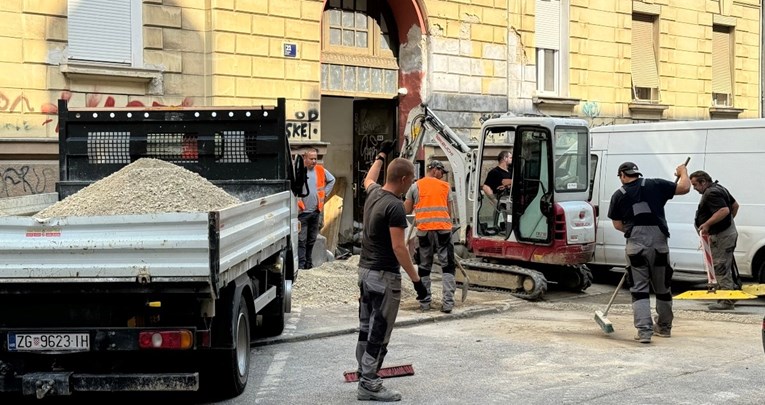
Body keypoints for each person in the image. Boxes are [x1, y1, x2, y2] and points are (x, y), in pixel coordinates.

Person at [355, 140, 428, 402]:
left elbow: (368, 179)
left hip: (364, 272)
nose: (412, 185)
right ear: (406, 179)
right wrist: (417, 282)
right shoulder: (395, 206)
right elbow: (399, 248)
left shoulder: (374, 193)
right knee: (380, 331)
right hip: (385, 276)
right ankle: (369, 382)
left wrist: (381, 155)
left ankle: (363, 372)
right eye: (412, 181)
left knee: (366, 327)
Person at [607, 161, 690, 344]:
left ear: (622, 175)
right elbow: (684, 187)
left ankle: (644, 332)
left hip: (636, 246)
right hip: (659, 244)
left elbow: (618, 224)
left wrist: (635, 232)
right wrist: (683, 171)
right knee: (662, 287)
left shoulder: (618, 195)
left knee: (639, 290)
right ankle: (664, 327)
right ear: (637, 173)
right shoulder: (656, 185)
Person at [404, 160, 456, 313]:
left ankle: (425, 303)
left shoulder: (415, 186)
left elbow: (406, 210)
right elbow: (449, 212)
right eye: (441, 172)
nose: (442, 175)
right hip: (443, 232)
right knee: (447, 267)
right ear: (434, 170)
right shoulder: (445, 187)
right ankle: (447, 303)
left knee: (424, 267)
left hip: (424, 232)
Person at [690, 170, 740, 311]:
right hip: (726, 233)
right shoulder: (720, 188)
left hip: (721, 236)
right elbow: (735, 206)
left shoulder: (711, 193)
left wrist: (708, 225)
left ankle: (726, 301)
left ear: (703, 182)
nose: (694, 188)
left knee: (720, 266)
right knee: (725, 266)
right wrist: (726, 224)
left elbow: (724, 210)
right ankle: (730, 293)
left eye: (695, 184)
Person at [297, 148, 335, 270]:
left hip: (315, 211)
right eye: (311, 158)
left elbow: (332, 180)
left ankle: (309, 264)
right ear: (305, 158)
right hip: (302, 212)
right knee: (301, 240)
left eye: (315, 158)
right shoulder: (298, 171)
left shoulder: (319, 170)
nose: (314, 161)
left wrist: (324, 194)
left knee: (311, 239)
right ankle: (301, 266)